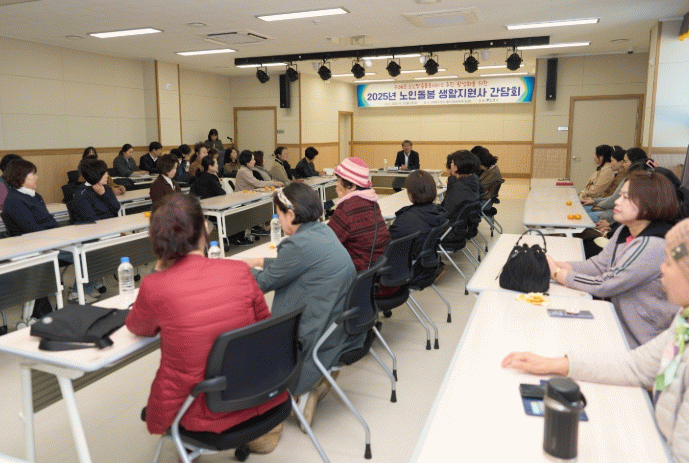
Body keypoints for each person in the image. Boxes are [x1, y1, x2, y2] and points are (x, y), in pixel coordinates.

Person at [502, 217, 689, 463]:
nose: (661, 269)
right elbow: (636, 366)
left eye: (669, 263)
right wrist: (556, 364)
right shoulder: (684, 322)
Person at [126, 193, 286, 454]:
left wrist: (158, 269)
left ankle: (188, 453)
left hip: (204, 412)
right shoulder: (238, 271)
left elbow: (137, 327)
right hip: (256, 394)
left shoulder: (155, 286)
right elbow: (264, 328)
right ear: (203, 230)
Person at [244, 183, 359, 428]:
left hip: (313, 333)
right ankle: (313, 385)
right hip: (337, 326)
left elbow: (262, 284)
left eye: (278, 214)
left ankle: (297, 391)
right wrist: (260, 260)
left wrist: (239, 270)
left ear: (291, 214)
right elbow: (296, 263)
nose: (277, 220)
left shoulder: (297, 245)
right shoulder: (323, 231)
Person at [548, 171, 680, 348]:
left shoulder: (652, 244)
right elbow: (599, 265)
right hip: (617, 321)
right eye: (620, 195)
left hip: (640, 340)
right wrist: (556, 264)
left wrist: (557, 273)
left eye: (626, 197)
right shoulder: (626, 230)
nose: (617, 201)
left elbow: (606, 284)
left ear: (648, 205)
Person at [1, 159, 101, 302]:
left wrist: (60, 234)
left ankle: (82, 290)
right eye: (33, 174)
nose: (37, 177)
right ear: (20, 177)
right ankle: (78, 294)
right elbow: (33, 230)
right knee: (88, 253)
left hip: (50, 241)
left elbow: (50, 221)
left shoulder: (34, 196)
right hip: (36, 248)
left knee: (94, 246)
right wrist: (59, 236)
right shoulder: (14, 201)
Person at [328, 157, 390, 272]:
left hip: (360, 274)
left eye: (339, 180)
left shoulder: (346, 209)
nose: (336, 185)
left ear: (352, 185)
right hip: (379, 269)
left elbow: (327, 243)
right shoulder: (372, 202)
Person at [388, 170, 448, 285]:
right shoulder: (439, 212)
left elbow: (389, 247)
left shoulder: (405, 221)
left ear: (410, 194)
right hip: (427, 267)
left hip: (406, 273)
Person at [441, 150, 483, 243]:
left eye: (453, 163)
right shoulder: (473, 180)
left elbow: (446, 213)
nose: (451, 164)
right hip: (465, 227)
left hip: (451, 231)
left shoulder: (458, 187)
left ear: (457, 166)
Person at [72, 158, 121, 222]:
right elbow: (90, 219)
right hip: (95, 227)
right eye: (104, 173)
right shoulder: (81, 193)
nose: (107, 175)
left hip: (110, 224)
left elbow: (116, 208)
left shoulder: (106, 188)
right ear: (96, 175)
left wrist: (104, 195)